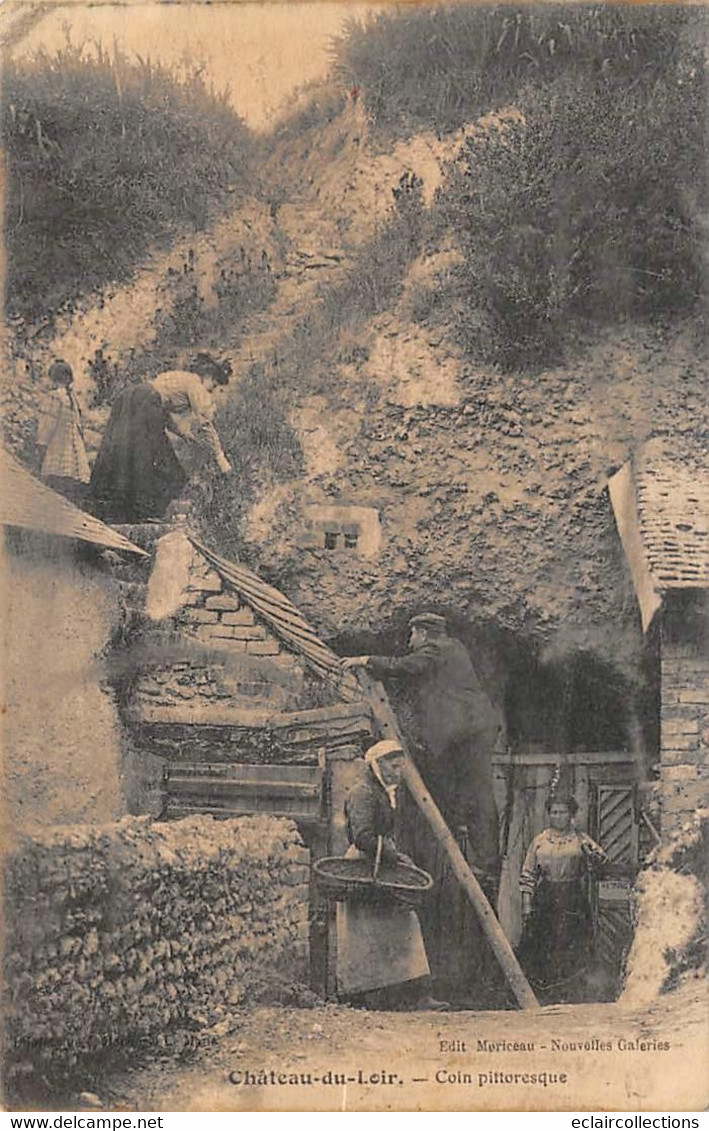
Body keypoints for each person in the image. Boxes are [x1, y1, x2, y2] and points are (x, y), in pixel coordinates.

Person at [336, 740, 446, 1010]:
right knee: (362, 932)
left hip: (381, 864)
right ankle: (356, 996)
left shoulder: (383, 792)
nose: (398, 772)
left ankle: (416, 995)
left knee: (405, 923)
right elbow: (363, 836)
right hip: (363, 868)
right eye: (394, 766)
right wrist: (393, 854)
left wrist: (395, 856)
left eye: (400, 767)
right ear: (378, 765)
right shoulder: (363, 792)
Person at [89, 353, 233, 523]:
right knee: (154, 458)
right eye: (214, 385)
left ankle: (117, 506)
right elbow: (205, 423)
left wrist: (182, 433)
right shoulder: (195, 384)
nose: (211, 391)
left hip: (129, 397)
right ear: (208, 376)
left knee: (124, 452)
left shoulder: (180, 377)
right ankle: (144, 511)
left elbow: (160, 407)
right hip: (143, 403)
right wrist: (220, 456)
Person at [518, 793, 607, 1003]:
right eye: (554, 812)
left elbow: (600, 861)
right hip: (546, 897)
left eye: (563, 812)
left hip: (572, 897)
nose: (558, 816)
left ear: (571, 815)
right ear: (549, 814)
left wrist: (591, 854)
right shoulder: (540, 841)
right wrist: (526, 905)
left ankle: (571, 993)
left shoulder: (580, 839)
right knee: (545, 944)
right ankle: (545, 994)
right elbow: (528, 874)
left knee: (572, 943)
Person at [36, 359, 91, 506]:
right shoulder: (69, 398)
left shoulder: (57, 397)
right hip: (68, 446)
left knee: (59, 477)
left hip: (60, 444)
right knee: (68, 476)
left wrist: (42, 443)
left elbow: (48, 424)